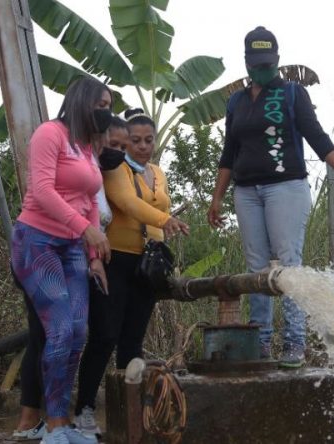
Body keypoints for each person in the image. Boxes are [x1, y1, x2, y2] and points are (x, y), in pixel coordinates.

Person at [207, 26, 334, 368]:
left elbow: (317, 137)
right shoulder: (236, 101)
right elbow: (229, 152)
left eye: (268, 63)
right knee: (256, 268)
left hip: (286, 188)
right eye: (256, 63)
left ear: (277, 61)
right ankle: (263, 342)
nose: (262, 69)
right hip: (246, 192)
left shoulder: (292, 93)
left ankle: (294, 343)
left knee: (287, 265)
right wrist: (217, 197)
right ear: (247, 62)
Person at [72, 110, 190, 437]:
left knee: (133, 340)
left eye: (148, 140)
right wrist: (165, 220)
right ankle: (84, 409)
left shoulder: (156, 172)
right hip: (116, 258)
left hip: (148, 264)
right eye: (135, 141)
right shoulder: (114, 167)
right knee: (105, 335)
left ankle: (131, 411)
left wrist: (161, 221)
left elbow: (158, 205)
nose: (142, 146)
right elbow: (125, 202)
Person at [10, 76, 112, 444]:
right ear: (82, 102)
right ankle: (54, 425)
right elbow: (42, 190)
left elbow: (89, 202)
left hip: (72, 248)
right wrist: (86, 231)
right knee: (60, 330)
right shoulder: (49, 134)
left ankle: (63, 422)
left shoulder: (87, 148)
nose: (107, 113)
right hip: (36, 242)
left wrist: (94, 255)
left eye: (109, 106)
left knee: (79, 332)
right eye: (101, 106)